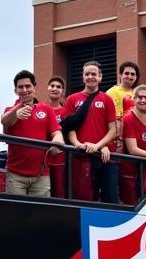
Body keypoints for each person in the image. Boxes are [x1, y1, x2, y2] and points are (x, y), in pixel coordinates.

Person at [0, 70, 65, 197]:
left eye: (28, 86)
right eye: (20, 87)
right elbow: (5, 121)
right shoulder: (9, 110)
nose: (24, 90)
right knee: (16, 213)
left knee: (40, 213)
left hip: (41, 174)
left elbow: (57, 132)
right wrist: (16, 112)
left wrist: (58, 141)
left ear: (34, 87)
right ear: (15, 90)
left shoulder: (46, 109)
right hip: (15, 174)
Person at [62, 62, 119, 203]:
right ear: (82, 77)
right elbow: (69, 127)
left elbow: (113, 130)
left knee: (110, 198)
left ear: (100, 77)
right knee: (82, 199)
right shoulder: (72, 99)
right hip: (80, 156)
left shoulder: (107, 99)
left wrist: (99, 145)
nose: (90, 77)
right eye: (87, 74)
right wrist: (77, 143)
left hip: (105, 156)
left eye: (94, 74)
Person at [107, 62, 139, 204]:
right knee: (115, 174)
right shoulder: (111, 92)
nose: (129, 76)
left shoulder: (137, 94)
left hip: (134, 140)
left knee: (131, 178)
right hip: (117, 139)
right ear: (120, 75)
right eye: (127, 73)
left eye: (133, 74)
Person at [45, 76, 69, 198]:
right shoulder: (41, 109)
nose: (55, 89)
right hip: (43, 160)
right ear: (47, 89)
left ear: (63, 91)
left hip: (61, 160)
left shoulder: (67, 112)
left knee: (59, 195)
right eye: (52, 86)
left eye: (58, 87)